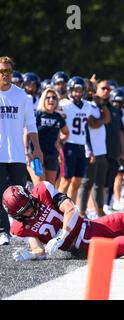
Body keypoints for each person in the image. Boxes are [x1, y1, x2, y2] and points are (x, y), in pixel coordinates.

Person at [0, 56, 44, 245]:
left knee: (20, 195)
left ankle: (23, 229)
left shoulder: (22, 96)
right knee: (1, 194)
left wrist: (37, 149)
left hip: (17, 154)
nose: (5, 75)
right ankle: (3, 231)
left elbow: (31, 124)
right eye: (1, 71)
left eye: (8, 71)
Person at [58, 76, 108, 203]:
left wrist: (90, 148)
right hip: (68, 145)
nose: (78, 93)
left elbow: (91, 125)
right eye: (75, 90)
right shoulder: (64, 104)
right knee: (66, 180)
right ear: (70, 90)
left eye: (80, 91)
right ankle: (57, 207)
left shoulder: (87, 106)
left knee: (78, 180)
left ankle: (71, 207)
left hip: (81, 146)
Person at [77, 80, 112, 218]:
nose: (105, 92)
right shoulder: (87, 106)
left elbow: (108, 119)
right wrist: (102, 118)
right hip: (90, 151)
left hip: (101, 150)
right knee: (87, 183)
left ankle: (99, 211)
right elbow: (93, 124)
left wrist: (103, 105)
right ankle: (82, 211)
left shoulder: (98, 106)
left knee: (99, 183)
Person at [33, 87, 69, 185]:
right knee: (40, 185)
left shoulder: (58, 117)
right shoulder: (37, 115)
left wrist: (60, 141)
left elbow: (66, 132)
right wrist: (27, 151)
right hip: (37, 155)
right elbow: (27, 133)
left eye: (54, 98)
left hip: (52, 155)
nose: (51, 100)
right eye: (48, 97)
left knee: (49, 187)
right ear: (43, 99)